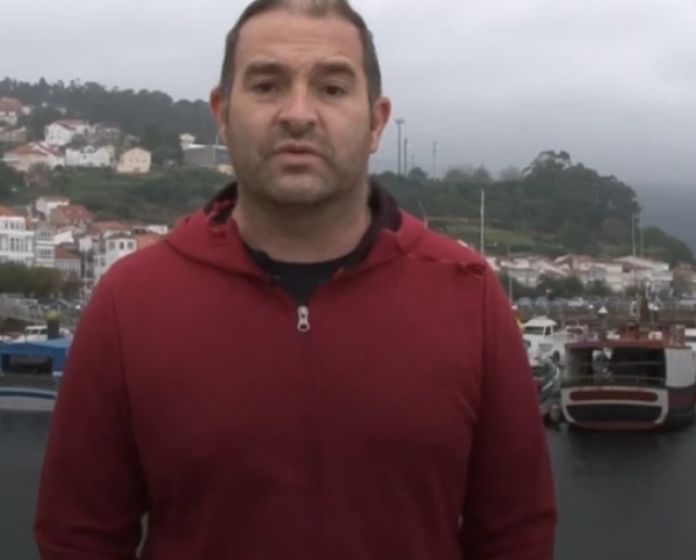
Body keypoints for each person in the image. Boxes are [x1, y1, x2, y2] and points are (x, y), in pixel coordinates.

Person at [33, 1, 557, 559]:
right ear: (221, 113)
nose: (298, 113)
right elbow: (79, 535)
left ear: (377, 121)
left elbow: (514, 533)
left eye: (332, 88)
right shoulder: (130, 304)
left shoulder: (469, 296)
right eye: (266, 86)